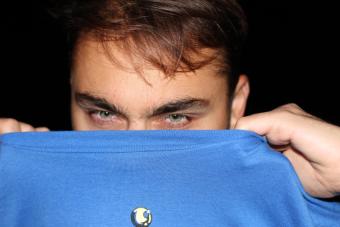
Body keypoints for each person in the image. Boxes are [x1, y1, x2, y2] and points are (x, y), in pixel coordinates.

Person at [0, 0, 339, 200]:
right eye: (103, 113)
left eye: (175, 118)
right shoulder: (17, 193)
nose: (136, 155)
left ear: (236, 104)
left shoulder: (302, 205)